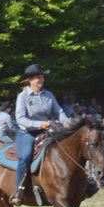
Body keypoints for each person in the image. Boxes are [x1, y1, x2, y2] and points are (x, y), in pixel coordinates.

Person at [13, 65, 64, 200]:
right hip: (27, 133)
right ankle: (19, 189)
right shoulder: (23, 96)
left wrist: (66, 121)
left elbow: (58, 111)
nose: (41, 80)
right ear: (30, 80)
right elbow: (20, 119)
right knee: (25, 156)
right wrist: (39, 124)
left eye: (42, 77)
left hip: (46, 130)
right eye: (37, 78)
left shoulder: (49, 95)